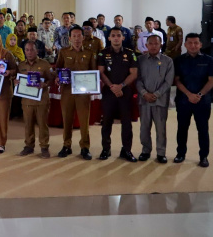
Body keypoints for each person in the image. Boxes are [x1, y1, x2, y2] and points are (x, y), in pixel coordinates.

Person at [97, 27, 139, 162]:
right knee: (106, 122)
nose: (116, 38)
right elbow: (101, 72)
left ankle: (126, 150)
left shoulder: (130, 53)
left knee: (126, 123)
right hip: (108, 92)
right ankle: (106, 149)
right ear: (109, 38)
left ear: (123, 37)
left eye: (118, 35)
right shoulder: (102, 54)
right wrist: (112, 87)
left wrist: (121, 86)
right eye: (113, 35)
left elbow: (134, 73)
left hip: (124, 92)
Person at [56, 25, 97, 160]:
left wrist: (93, 85)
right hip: (67, 91)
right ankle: (66, 145)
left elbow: (93, 72)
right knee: (67, 119)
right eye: (74, 36)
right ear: (69, 38)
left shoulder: (90, 53)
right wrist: (58, 78)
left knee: (84, 121)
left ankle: (85, 147)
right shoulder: (63, 52)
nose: (77, 39)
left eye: (79, 36)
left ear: (83, 37)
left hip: (83, 93)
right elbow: (58, 69)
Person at [173, 33, 213, 167]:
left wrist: (199, 95)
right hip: (183, 101)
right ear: (185, 45)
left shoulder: (209, 60)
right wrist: (189, 94)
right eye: (190, 43)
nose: (193, 45)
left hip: (203, 101)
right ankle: (180, 154)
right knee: (182, 128)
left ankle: (204, 156)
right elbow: (177, 80)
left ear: (200, 44)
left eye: (196, 43)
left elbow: (211, 81)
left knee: (203, 129)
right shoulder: (178, 60)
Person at [136, 35, 174, 163]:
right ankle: (145, 151)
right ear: (146, 45)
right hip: (144, 100)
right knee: (144, 128)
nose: (153, 46)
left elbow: (168, 81)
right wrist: (144, 93)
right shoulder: (140, 60)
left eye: (156, 44)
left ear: (161, 45)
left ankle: (161, 153)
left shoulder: (168, 61)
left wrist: (156, 94)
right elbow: (137, 79)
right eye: (150, 44)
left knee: (161, 128)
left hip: (160, 101)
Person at [17, 41, 55, 158]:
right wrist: (16, 82)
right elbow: (17, 79)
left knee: (42, 125)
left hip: (41, 100)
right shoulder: (21, 65)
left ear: (37, 51)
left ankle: (44, 147)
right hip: (27, 101)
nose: (29, 52)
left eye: (32, 50)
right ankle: (29, 146)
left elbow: (52, 79)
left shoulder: (45, 64)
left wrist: (45, 84)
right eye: (27, 50)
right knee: (28, 124)